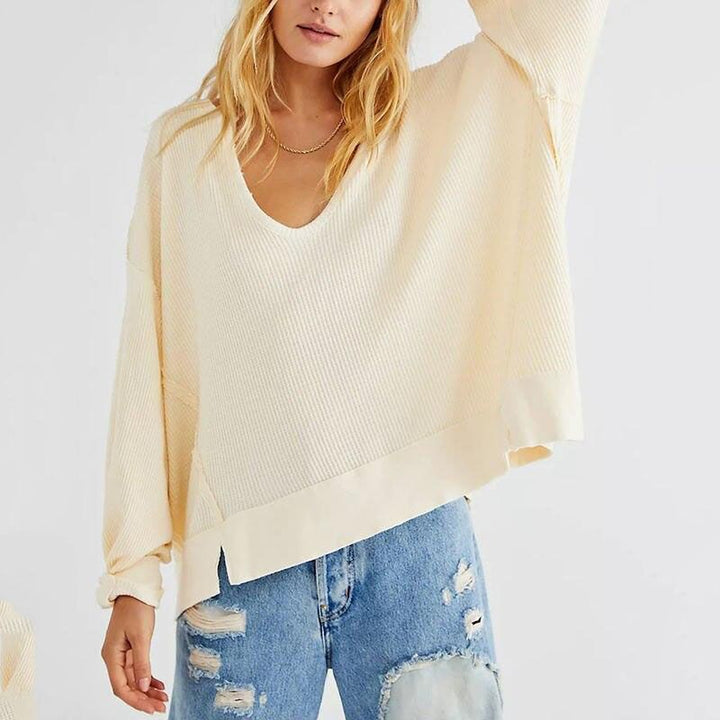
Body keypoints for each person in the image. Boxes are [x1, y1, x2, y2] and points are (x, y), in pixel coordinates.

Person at [97, 0, 609, 716]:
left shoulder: (433, 120)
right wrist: (132, 577)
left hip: (414, 547)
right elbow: (146, 365)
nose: (326, 4)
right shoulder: (184, 149)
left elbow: (563, 21)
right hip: (244, 566)